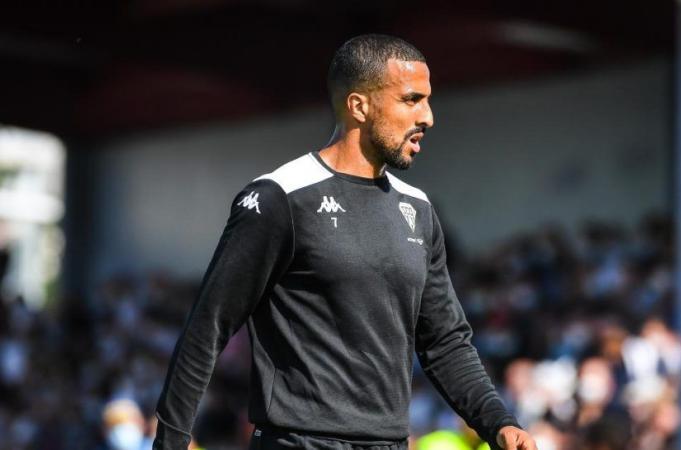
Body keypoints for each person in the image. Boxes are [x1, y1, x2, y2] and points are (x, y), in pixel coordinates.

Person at [153, 34, 537, 450]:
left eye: (428, 100)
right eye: (411, 100)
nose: (428, 116)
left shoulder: (420, 209)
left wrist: (498, 422)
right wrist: (170, 442)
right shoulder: (279, 197)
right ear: (359, 106)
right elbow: (207, 328)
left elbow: (444, 342)